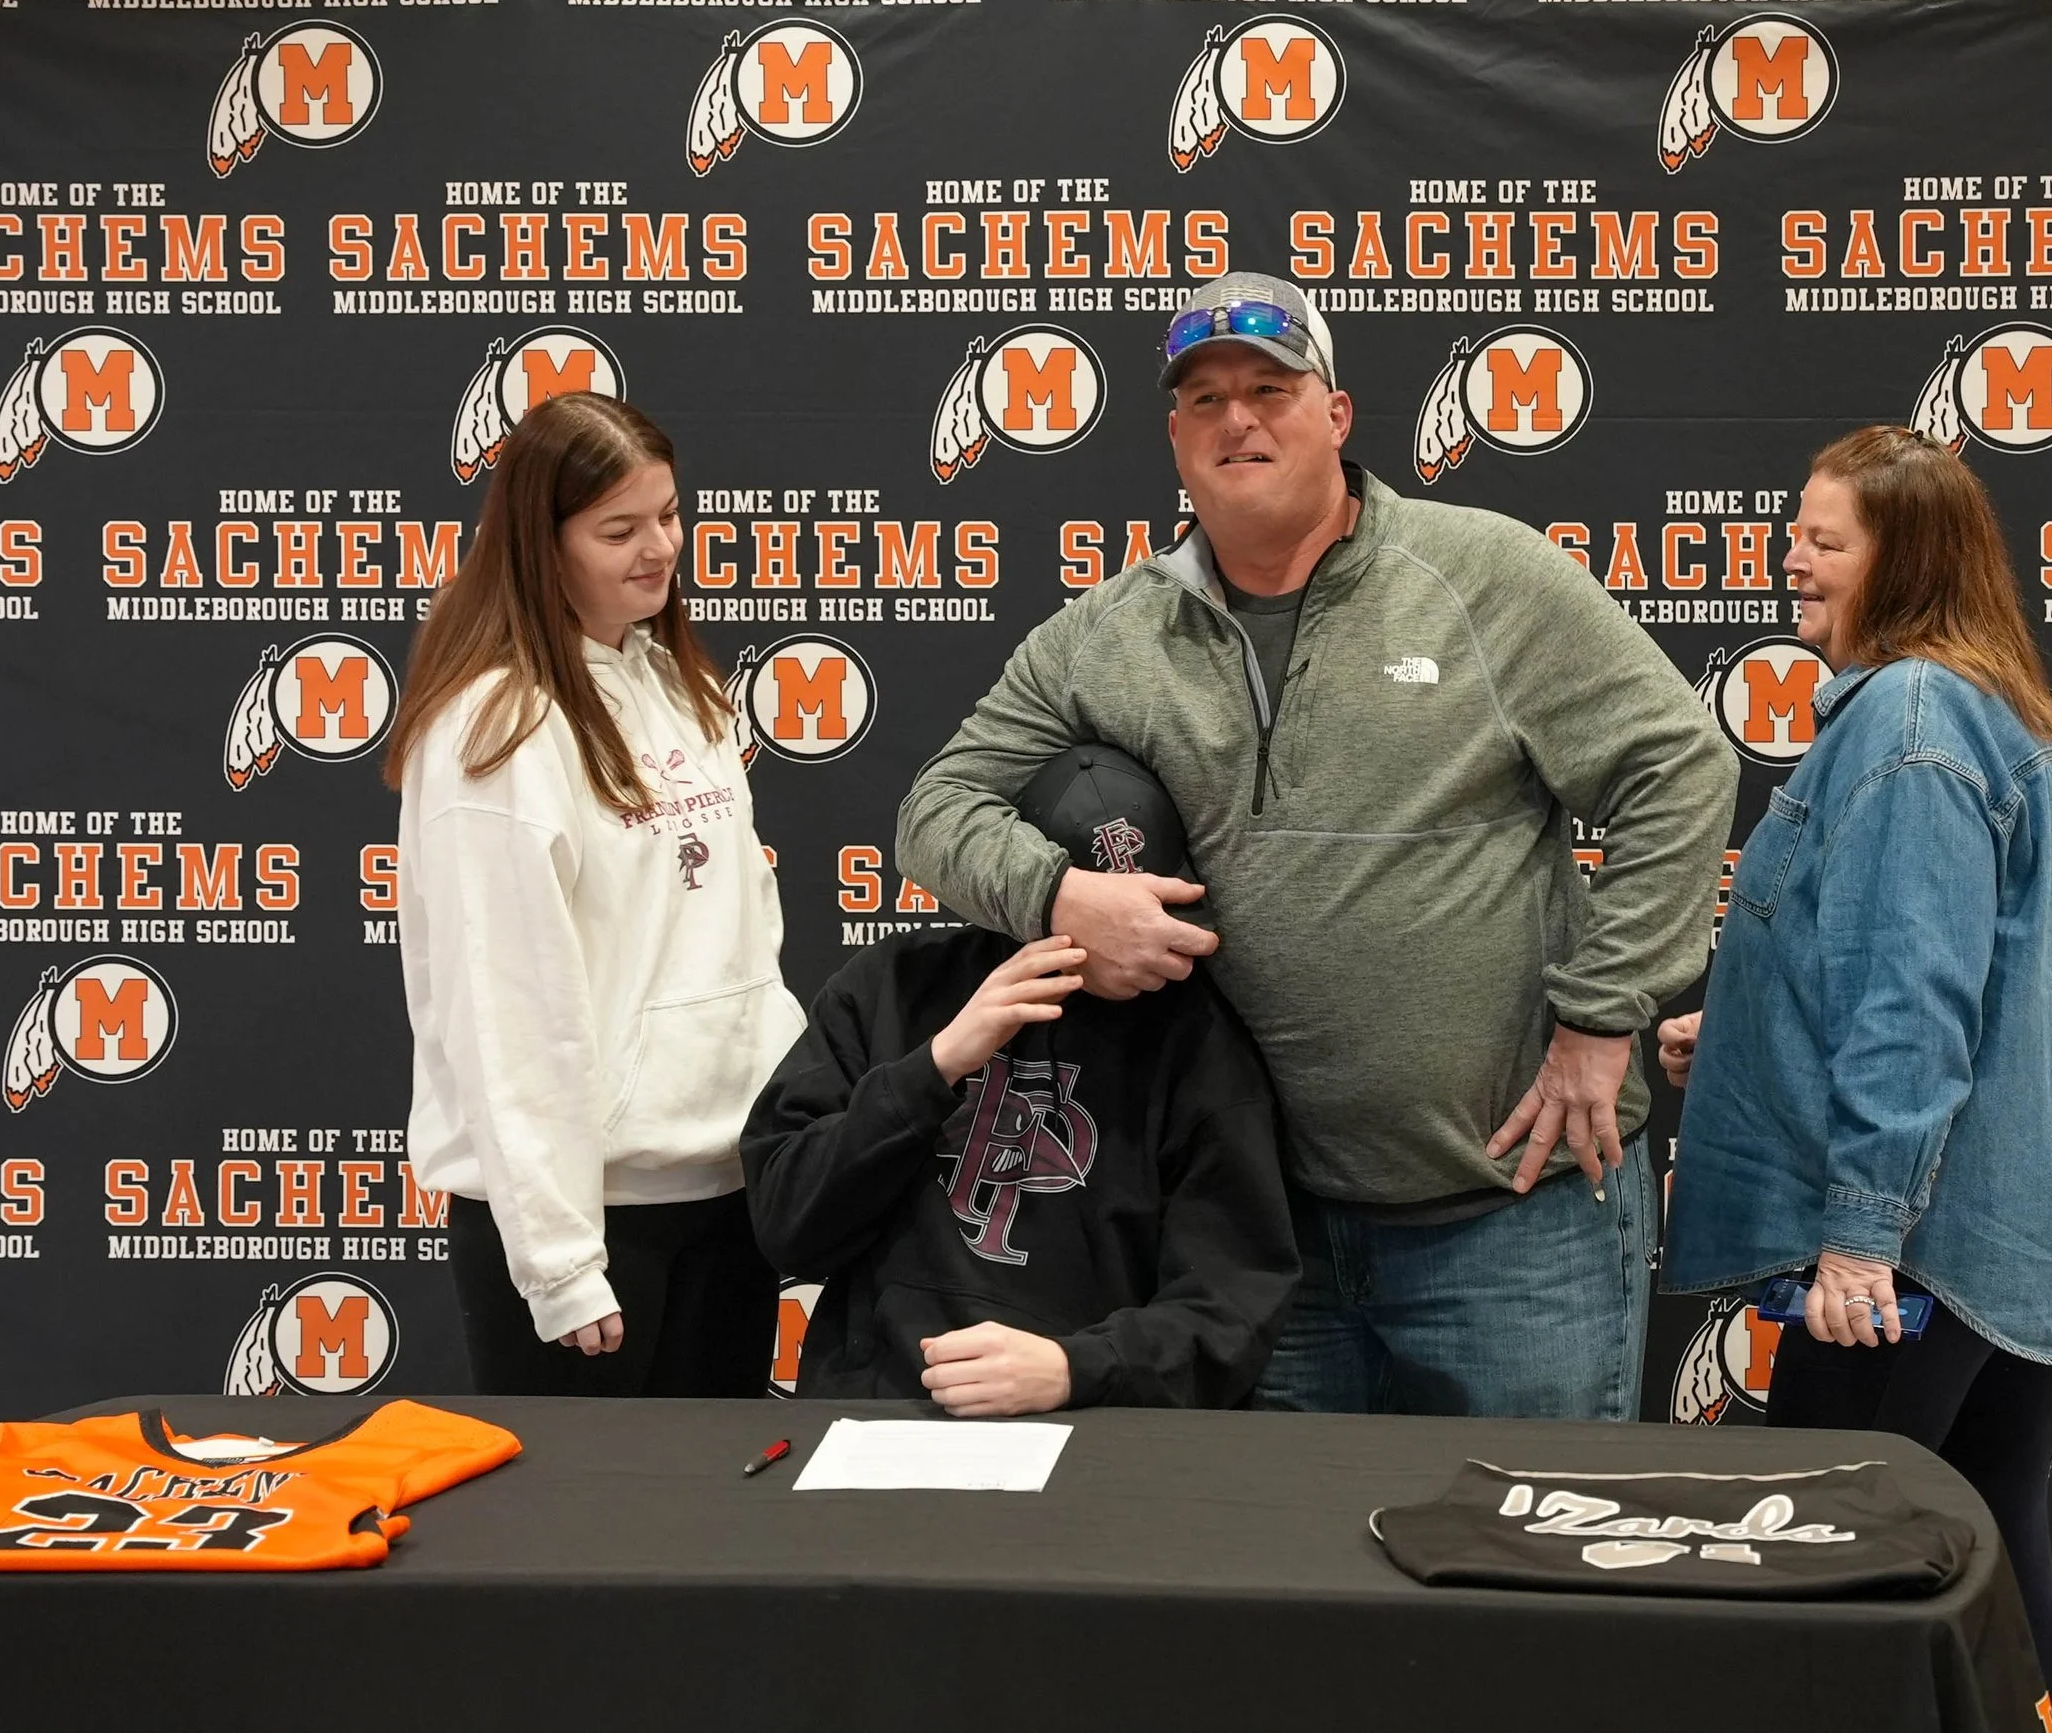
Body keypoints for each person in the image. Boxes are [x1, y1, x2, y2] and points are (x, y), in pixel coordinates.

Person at [895, 273, 1736, 1419]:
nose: (1236, 419)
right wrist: (1060, 897)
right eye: (1203, 399)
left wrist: (1602, 1016)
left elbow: (1678, 767)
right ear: (1174, 436)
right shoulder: (1111, 633)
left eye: (1270, 390)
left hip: (1513, 1217)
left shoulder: (1483, 575)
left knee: (1527, 1524)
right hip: (1257, 1239)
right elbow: (937, 808)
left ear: (1335, 415)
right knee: (1292, 1537)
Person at [1659, 426, 2052, 1733]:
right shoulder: (1978, 708)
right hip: (1992, 1238)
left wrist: (1862, 1239)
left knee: (1830, 1567)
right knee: (1996, 1550)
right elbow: (1927, 976)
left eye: (1826, 542)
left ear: (1904, 563)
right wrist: (1739, 1035)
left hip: (1911, 1255)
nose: (1790, 561)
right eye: (1792, 535)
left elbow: (1914, 1001)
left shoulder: (1910, 723)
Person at [382, 392, 805, 1396]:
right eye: (619, 530)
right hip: (592, 1229)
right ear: (542, 545)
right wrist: (560, 1262)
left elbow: (744, 934)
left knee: (718, 1491)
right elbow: (508, 1012)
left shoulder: (683, 688)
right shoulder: (498, 730)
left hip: (726, 1190)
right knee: (589, 1503)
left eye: (669, 514)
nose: (659, 548)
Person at [741, 745, 1298, 1415]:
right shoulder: (895, 986)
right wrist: (936, 1065)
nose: (1144, 939)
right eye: (1111, 918)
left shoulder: (1199, 1041)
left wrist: (1075, 1368)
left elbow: (1232, 1303)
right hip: (876, 1408)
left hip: (1090, 1422)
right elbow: (788, 1224)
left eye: (1157, 911)